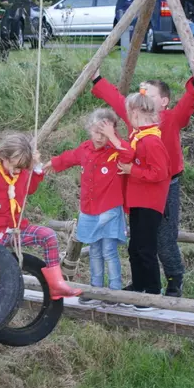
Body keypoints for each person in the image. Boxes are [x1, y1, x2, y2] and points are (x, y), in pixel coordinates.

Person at [91, 56, 194, 297]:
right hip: (139, 186)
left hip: (167, 183)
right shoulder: (136, 118)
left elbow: (190, 101)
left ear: (164, 102)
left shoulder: (171, 118)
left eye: (148, 92)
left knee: (164, 239)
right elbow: (116, 99)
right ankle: (144, 284)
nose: (141, 95)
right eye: (140, 91)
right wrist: (96, 78)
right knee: (141, 239)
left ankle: (174, 279)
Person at [0, 132, 82, 315]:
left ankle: (56, 285)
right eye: (14, 167)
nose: (17, 172)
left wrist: (36, 166)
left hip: (16, 228)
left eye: (21, 168)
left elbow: (30, 188)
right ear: (3, 157)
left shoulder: (22, 172)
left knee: (48, 235)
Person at [44, 109, 128, 304]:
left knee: (109, 251)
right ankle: (95, 289)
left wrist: (113, 139)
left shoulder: (116, 152)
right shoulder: (85, 149)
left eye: (105, 134)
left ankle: (115, 292)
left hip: (109, 210)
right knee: (95, 251)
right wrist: (53, 163)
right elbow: (70, 157)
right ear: (89, 129)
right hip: (90, 210)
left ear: (114, 133)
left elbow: (129, 153)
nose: (100, 137)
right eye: (97, 132)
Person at [99, 90, 170, 310]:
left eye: (129, 112)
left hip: (150, 201)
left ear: (137, 112)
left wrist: (133, 170)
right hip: (138, 200)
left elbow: (160, 173)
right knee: (135, 247)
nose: (127, 116)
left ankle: (152, 292)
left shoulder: (151, 141)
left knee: (145, 247)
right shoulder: (139, 136)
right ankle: (139, 286)